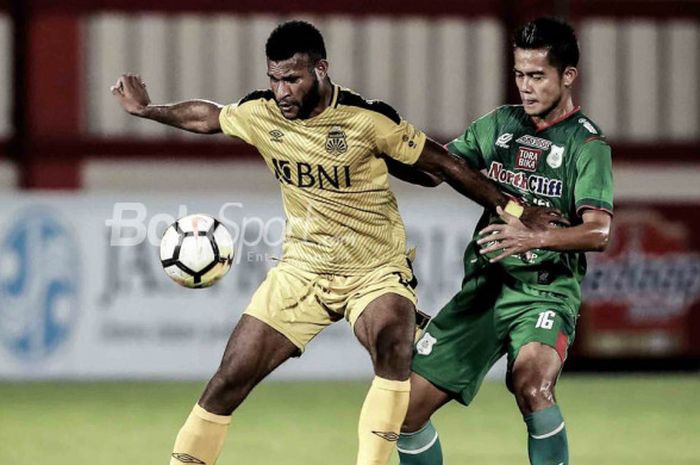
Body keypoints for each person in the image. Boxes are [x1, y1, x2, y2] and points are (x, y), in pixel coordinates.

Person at [111, 20, 559, 465]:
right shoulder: (262, 114)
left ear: (320, 70)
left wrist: (516, 210)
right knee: (228, 380)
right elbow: (210, 115)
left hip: (375, 272)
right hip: (301, 273)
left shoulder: (368, 120)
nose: (282, 91)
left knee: (393, 346)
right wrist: (150, 110)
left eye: (292, 79)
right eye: (274, 79)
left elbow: (444, 166)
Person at [397, 17, 614, 465]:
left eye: (537, 76)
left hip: (544, 293)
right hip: (483, 291)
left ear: (567, 76)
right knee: (405, 412)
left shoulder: (586, 145)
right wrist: (383, 146)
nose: (525, 87)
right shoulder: (500, 125)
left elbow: (598, 232)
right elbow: (437, 169)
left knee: (532, 384)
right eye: (519, 74)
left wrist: (534, 234)